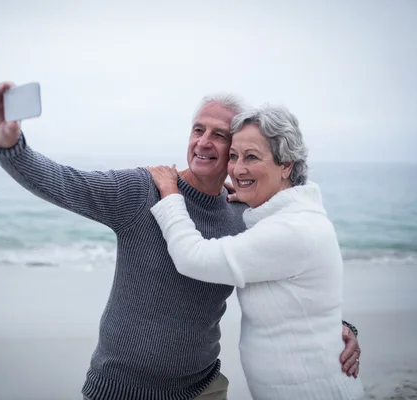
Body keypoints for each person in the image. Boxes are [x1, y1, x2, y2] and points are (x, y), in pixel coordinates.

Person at [0, 82, 362, 400]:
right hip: (121, 389)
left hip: (204, 389)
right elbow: (65, 183)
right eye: (198, 130)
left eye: (220, 135)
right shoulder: (141, 190)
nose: (204, 142)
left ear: (236, 151)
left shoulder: (240, 214)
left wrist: (335, 327)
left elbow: (286, 278)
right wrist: (11, 149)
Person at [147, 105, 365, 399]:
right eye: (234, 156)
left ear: (286, 164)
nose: (237, 169)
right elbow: (305, 300)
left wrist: (170, 194)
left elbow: (192, 257)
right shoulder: (283, 217)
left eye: (251, 157)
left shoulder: (293, 229)